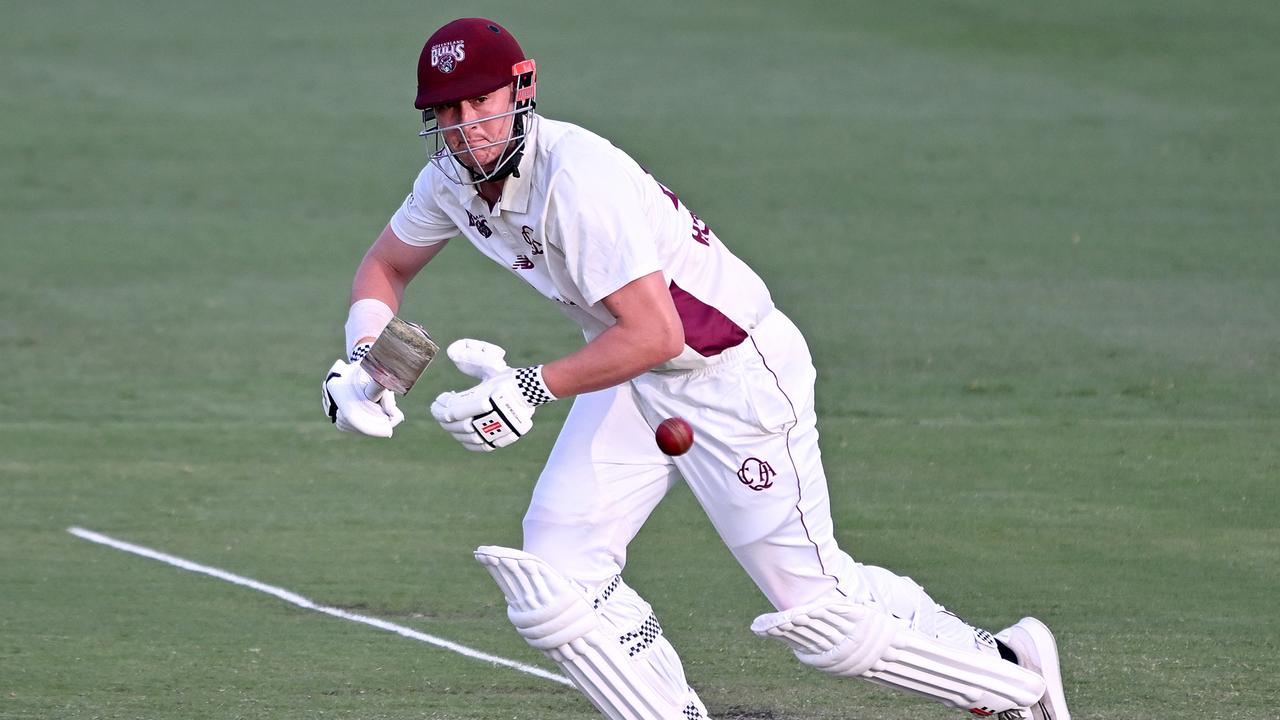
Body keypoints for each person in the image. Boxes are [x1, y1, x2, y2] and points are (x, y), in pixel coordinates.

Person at [321, 17, 1072, 720]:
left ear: (522, 89)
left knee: (821, 615)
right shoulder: (450, 181)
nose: (464, 129)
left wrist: (530, 387)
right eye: (445, 112)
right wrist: (362, 364)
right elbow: (385, 266)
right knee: (556, 582)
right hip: (633, 372)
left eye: (478, 103)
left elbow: (656, 331)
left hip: (731, 373)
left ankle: (1015, 682)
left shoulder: (577, 182)